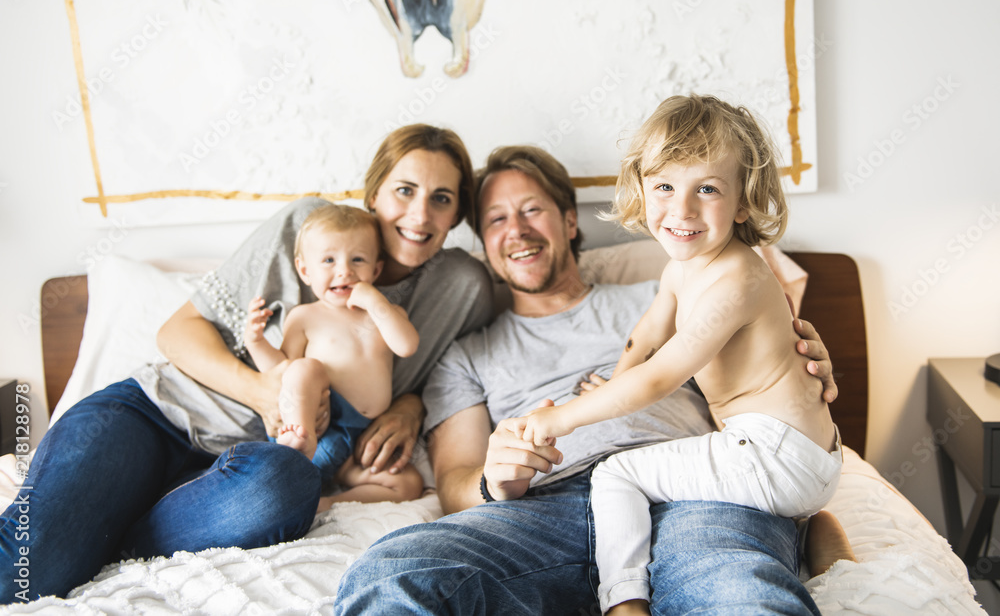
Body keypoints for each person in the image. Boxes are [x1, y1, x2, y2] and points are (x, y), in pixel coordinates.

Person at [334, 144, 841, 615]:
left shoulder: (675, 292)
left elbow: (757, 379)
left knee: (740, 596)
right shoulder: (464, 356)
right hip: (543, 511)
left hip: (688, 497)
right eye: (496, 219)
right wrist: (495, 479)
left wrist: (800, 364)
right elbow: (453, 483)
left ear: (569, 220)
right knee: (391, 575)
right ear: (483, 244)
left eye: (532, 210)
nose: (517, 229)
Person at [0, 124, 494, 602]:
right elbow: (177, 332)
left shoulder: (462, 287)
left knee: (283, 486)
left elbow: (453, 377)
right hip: (156, 415)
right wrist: (262, 391)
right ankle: (106, 521)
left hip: (254, 469)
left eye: (442, 199)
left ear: (457, 217)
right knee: (30, 565)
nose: (421, 214)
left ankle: (126, 528)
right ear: (374, 194)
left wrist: (409, 407)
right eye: (404, 190)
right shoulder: (310, 229)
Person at [513, 95, 842, 615]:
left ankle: (623, 602)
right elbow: (642, 342)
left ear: (743, 203)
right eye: (664, 186)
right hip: (796, 455)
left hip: (775, 454)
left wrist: (561, 418)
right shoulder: (678, 269)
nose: (681, 209)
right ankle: (812, 535)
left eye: (706, 189)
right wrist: (614, 379)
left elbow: (658, 376)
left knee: (617, 475)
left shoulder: (739, 277)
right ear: (642, 190)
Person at [244, 204, 423, 503]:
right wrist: (256, 342)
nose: (344, 270)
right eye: (329, 260)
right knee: (304, 369)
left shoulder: (385, 315)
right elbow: (281, 372)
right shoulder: (305, 316)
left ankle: (326, 503)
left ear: (376, 269)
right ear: (305, 270)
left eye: (358, 260)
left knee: (409, 484)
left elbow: (406, 346)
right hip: (317, 427)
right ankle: (297, 443)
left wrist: (375, 301)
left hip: (358, 446)